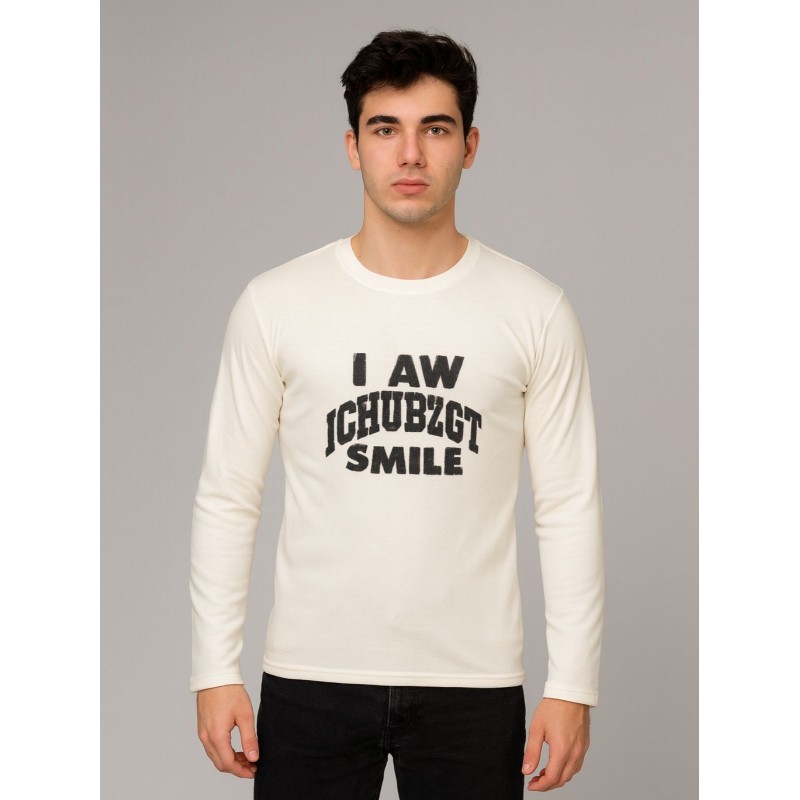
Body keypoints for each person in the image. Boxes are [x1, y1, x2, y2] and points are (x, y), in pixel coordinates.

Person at [190, 29, 604, 798]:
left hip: (473, 683)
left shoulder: (534, 311)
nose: (410, 154)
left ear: (469, 146)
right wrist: (213, 669)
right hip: (311, 675)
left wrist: (573, 683)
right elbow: (228, 495)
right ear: (353, 146)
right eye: (385, 129)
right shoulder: (276, 305)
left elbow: (568, 505)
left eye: (434, 129)